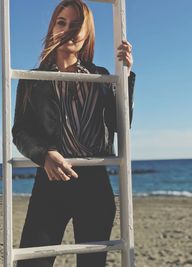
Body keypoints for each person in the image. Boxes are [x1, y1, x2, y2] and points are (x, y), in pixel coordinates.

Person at [12, 0, 135, 266]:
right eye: (61, 22)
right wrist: (44, 154)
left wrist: (126, 76)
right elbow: (20, 130)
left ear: (87, 32)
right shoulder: (32, 79)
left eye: (76, 24)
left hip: (94, 185)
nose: (68, 29)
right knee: (32, 263)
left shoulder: (101, 77)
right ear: (53, 28)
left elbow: (120, 124)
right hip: (50, 182)